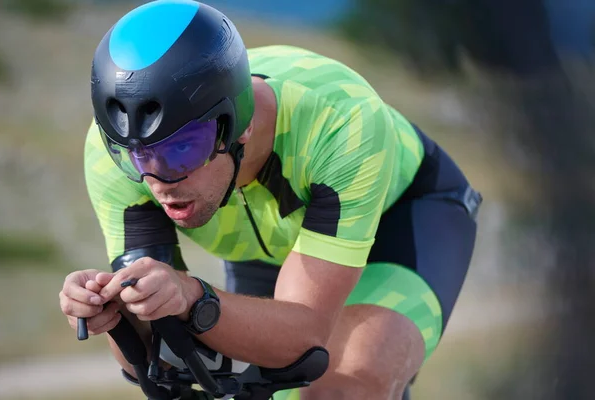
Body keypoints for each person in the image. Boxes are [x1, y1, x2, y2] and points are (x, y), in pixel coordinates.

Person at [58, 1, 482, 399]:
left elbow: (304, 338)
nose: (156, 181)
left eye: (181, 150)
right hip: (271, 248)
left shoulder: (342, 124)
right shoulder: (113, 157)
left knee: (343, 384)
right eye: (134, 156)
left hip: (402, 219)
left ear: (237, 125)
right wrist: (116, 312)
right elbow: (156, 366)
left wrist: (190, 295)